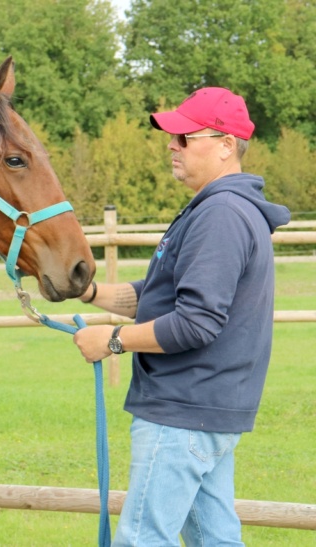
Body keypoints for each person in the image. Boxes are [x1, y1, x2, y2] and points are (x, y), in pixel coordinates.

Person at [73, 87, 291, 546]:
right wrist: (89, 292)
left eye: (185, 137)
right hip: (205, 410)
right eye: (173, 137)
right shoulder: (220, 209)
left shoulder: (221, 215)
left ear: (226, 146)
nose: (171, 145)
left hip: (183, 412)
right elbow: (162, 296)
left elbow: (196, 322)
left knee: (142, 539)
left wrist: (112, 340)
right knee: (215, 539)